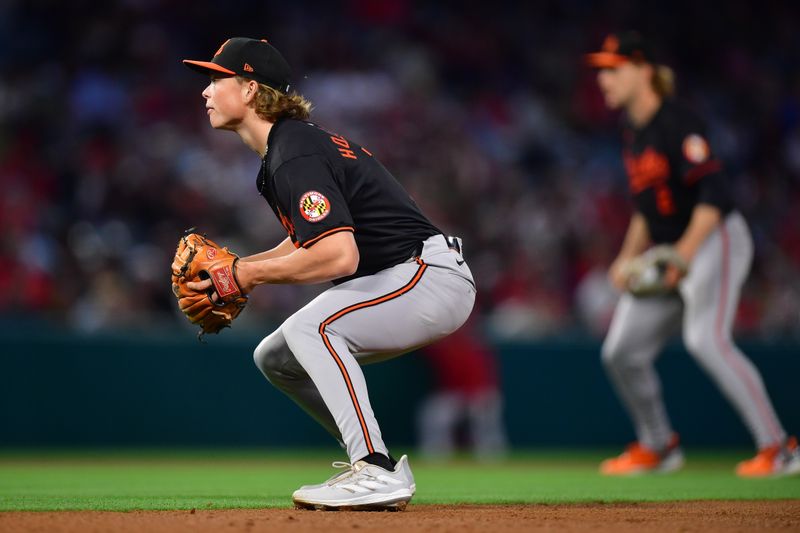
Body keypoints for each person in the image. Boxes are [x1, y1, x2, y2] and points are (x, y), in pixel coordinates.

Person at [181, 37, 476, 509]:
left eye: (218, 79)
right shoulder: (290, 147)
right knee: (275, 357)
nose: (206, 91)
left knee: (310, 327)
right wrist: (239, 268)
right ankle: (370, 459)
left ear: (252, 89)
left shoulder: (292, 150)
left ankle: (374, 468)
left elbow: (339, 257)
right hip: (404, 276)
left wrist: (245, 277)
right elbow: (310, 240)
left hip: (425, 275)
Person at [585, 32, 799, 477]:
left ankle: (779, 448)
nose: (603, 78)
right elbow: (645, 209)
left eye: (613, 68)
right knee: (621, 351)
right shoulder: (633, 134)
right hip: (670, 249)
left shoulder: (677, 121)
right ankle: (658, 445)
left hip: (713, 236)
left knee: (706, 339)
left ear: (643, 70)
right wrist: (625, 258)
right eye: (601, 69)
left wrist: (684, 253)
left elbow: (715, 193)